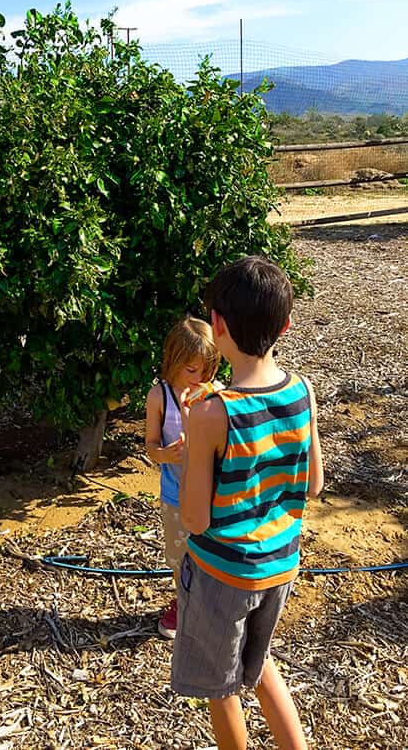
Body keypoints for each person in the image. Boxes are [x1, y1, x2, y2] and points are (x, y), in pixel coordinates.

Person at [172, 256, 324, 750]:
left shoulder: (212, 414)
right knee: (257, 666)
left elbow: (194, 518)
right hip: (280, 565)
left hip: (223, 575)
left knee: (221, 688)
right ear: (285, 324)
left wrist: (196, 443)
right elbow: (314, 484)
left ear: (217, 326)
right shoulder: (302, 391)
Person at [145, 317, 221, 639]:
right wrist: (165, 454)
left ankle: (213, 603)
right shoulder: (159, 397)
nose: (199, 378)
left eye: (207, 371)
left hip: (213, 494)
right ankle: (184, 600)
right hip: (176, 493)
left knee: (213, 551)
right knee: (179, 554)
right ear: (174, 361)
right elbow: (150, 444)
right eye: (191, 370)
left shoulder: (215, 394)